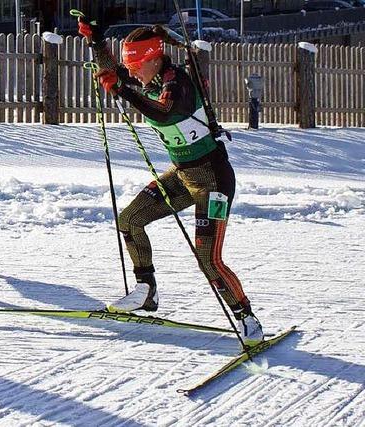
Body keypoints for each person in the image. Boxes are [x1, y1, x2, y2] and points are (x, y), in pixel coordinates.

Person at [78, 22, 264, 344]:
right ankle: (146, 290)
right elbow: (113, 72)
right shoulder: (148, 78)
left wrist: (122, 91)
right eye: (131, 67)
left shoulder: (177, 83)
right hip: (183, 175)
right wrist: (96, 40)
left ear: (154, 59)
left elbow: (164, 112)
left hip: (213, 179)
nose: (132, 73)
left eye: (136, 66)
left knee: (207, 257)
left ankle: (247, 319)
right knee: (129, 220)